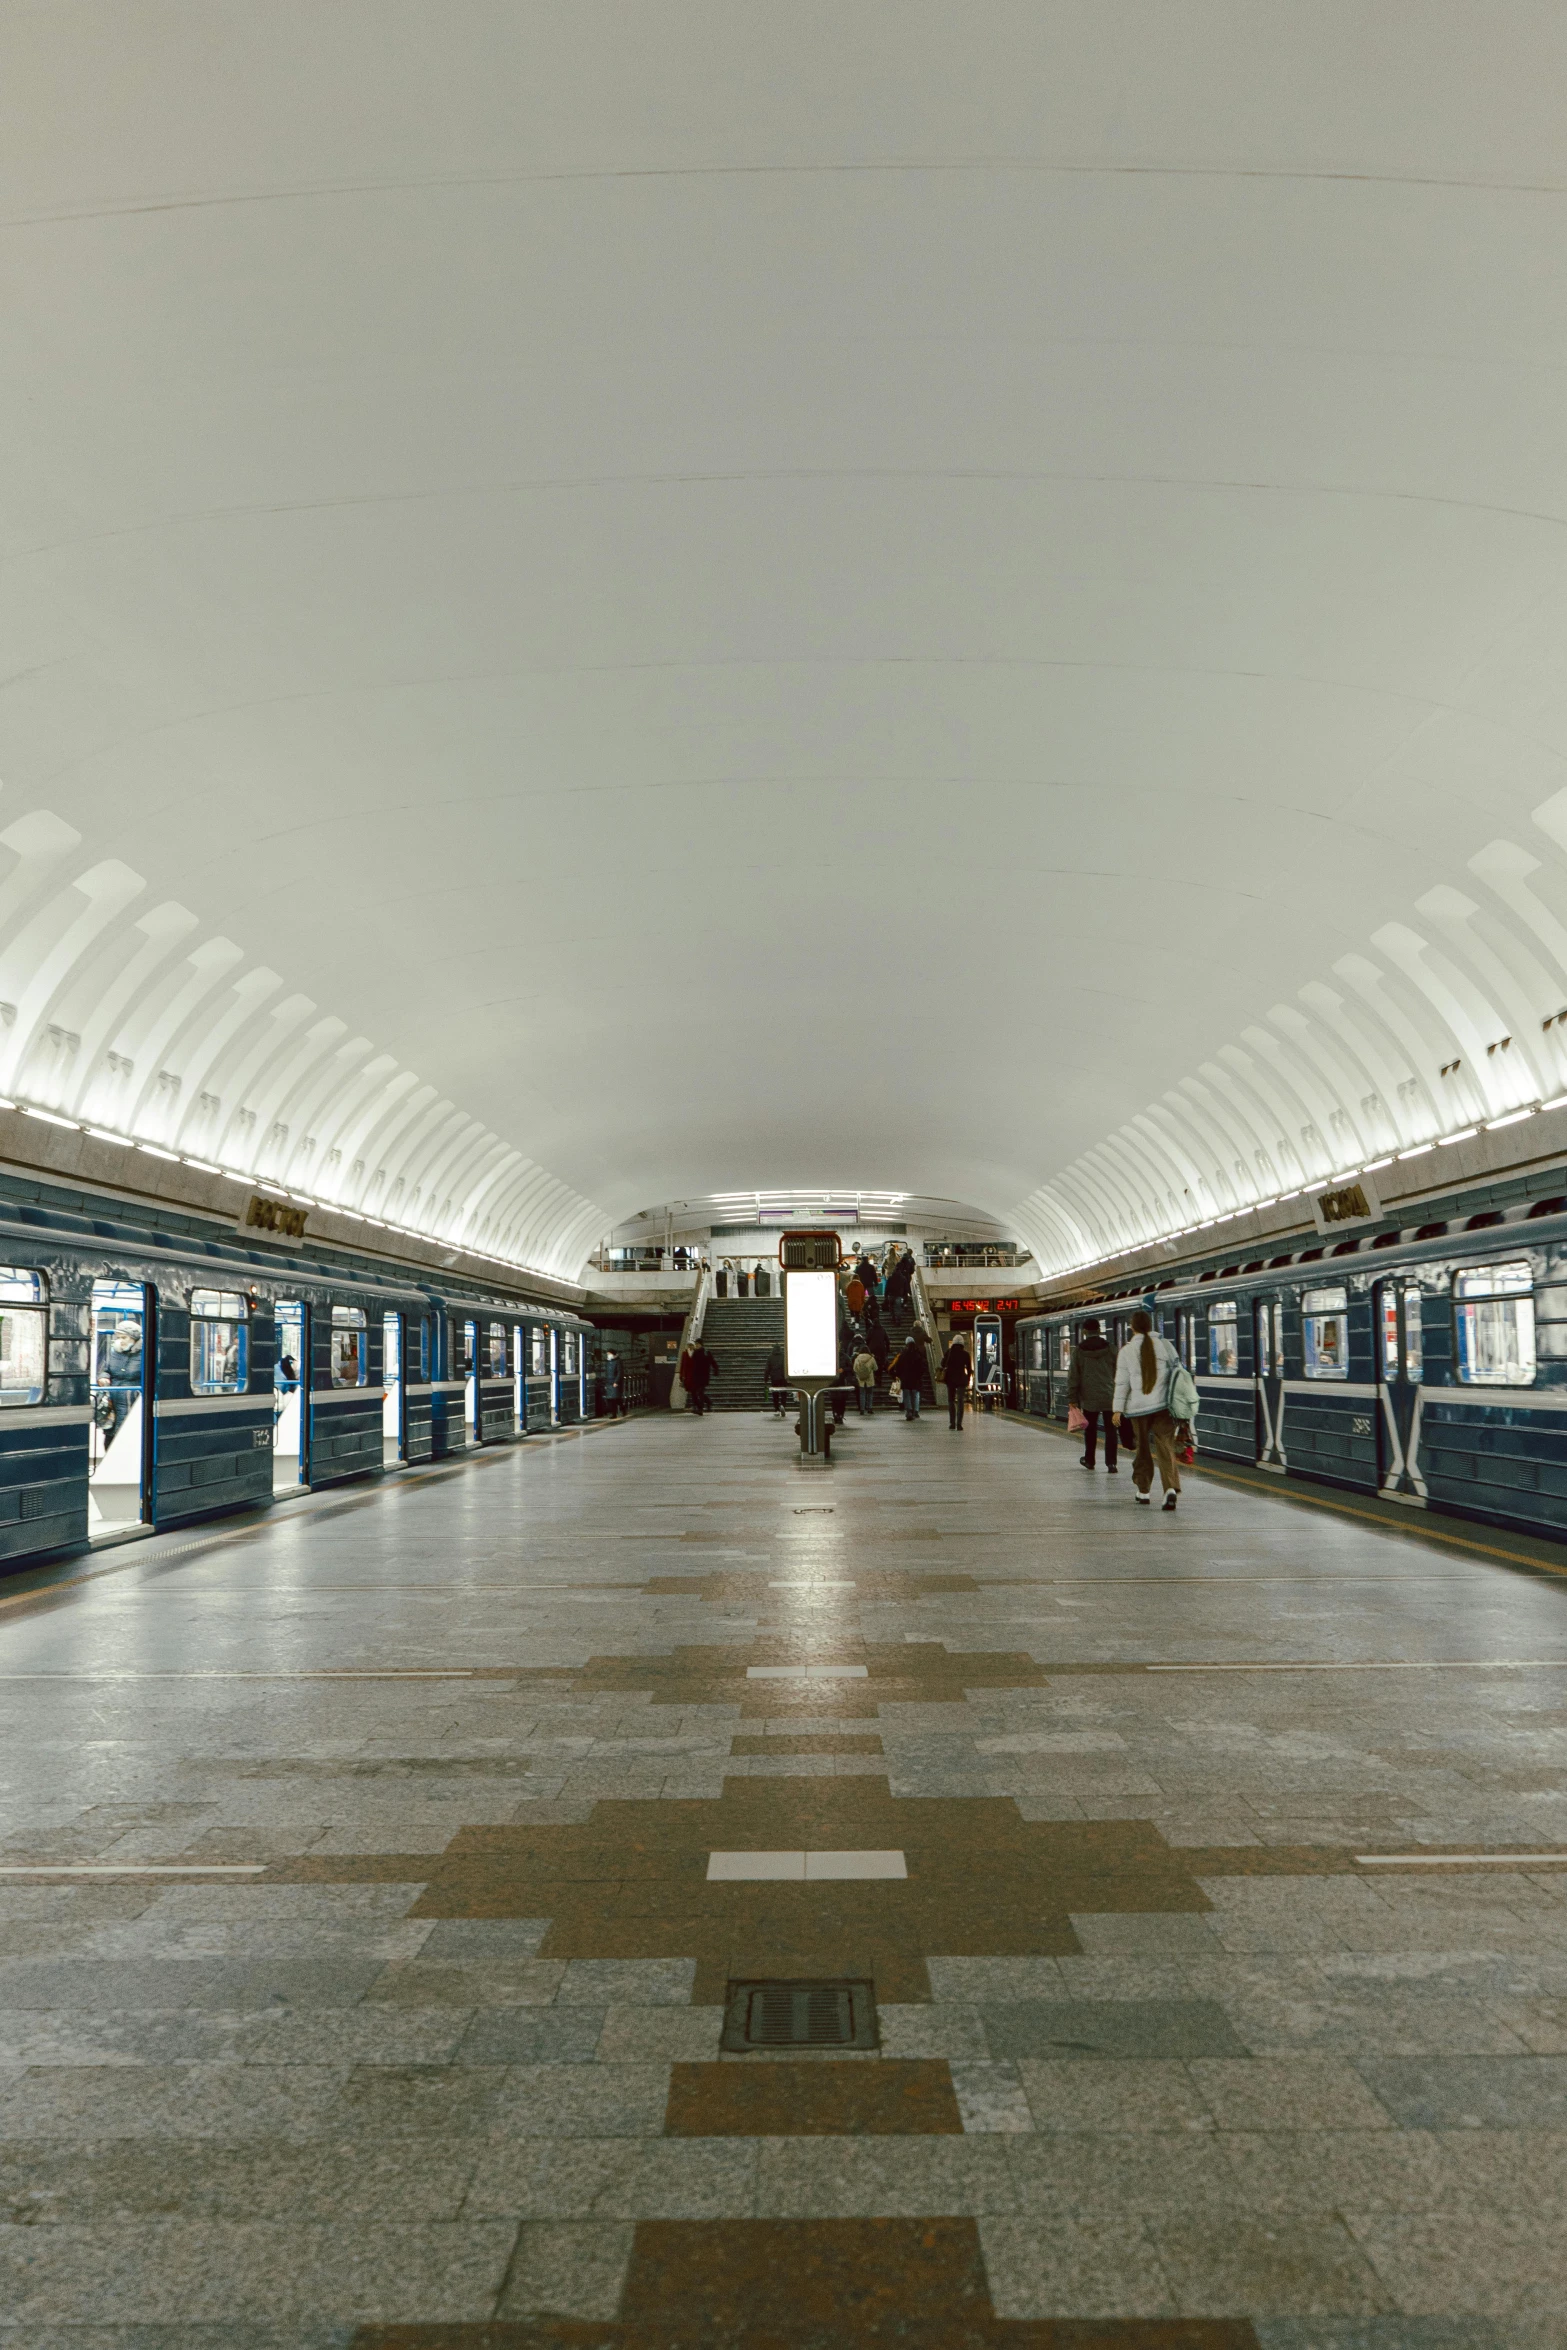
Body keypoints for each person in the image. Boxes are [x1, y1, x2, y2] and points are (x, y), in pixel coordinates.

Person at [1112, 1310, 1182, 1510]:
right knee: (1165, 1447)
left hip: (1138, 1409)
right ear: (1150, 1326)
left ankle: (1143, 1491)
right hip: (1163, 1407)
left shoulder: (1126, 1351)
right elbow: (1177, 1374)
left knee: (1142, 1449)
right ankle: (1170, 1489)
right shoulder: (1165, 1345)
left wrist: (1117, 1409)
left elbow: (1122, 1383)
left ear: (1132, 1327)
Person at [1068, 1317, 1118, 1473]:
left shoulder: (1079, 1351)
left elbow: (1073, 1376)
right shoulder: (1111, 1349)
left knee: (1090, 1429)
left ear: (1084, 1332)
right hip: (1110, 1395)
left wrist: (1072, 1398)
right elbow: (1119, 1371)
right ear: (1099, 1330)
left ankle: (1090, 1460)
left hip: (1089, 1398)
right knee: (1111, 1430)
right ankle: (1111, 1464)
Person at [939, 1333, 973, 1430]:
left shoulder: (949, 1352)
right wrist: (968, 1378)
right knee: (961, 1400)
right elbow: (969, 1369)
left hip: (950, 1379)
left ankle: (952, 1423)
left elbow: (942, 1364)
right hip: (961, 1379)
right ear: (962, 1343)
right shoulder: (966, 1354)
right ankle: (959, 1424)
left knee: (951, 1400)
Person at [891, 1331, 927, 1421]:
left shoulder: (903, 1355)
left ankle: (909, 1411)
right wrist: (919, 1375)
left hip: (905, 1378)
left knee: (906, 1395)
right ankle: (915, 1411)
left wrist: (899, 1375)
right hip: (915, 1378)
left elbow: (897, 1367)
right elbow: (922, 1367)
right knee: (914, 1395)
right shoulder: (917, 1354)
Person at [763, 1339, 787, 1417]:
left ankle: (776, 1408)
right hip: (783, 1378)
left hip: (774, 1378)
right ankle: (783, 1405)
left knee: (775, 1394)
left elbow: (767, 1369)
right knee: (783, 1393)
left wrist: (766, 1378)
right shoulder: (784, 1356)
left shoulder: (770, 1357)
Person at [853, 1340, 877, 1415]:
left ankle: (862, 1409)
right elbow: (876, 1368)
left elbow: (854, 1368)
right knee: (870, 1393)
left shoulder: (857, 1358)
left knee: (862, 1394)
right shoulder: (871, 1358)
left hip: (861, 1378)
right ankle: (869, 1408)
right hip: (869, 1378)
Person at [601, 1350, 624, 1417]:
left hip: (614, 1382)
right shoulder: (607, 1362)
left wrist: (616, 1382)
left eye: (609, 1354)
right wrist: (605, 1383)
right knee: (610, 1398)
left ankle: (619, 1411)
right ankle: (615, 1413)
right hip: (608, 1382)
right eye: (607, 1354)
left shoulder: (618, 1361)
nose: (608, 1355)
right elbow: (606, 1373)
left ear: (613, 1354)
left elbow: (620, 1372)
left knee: (615, 1399)